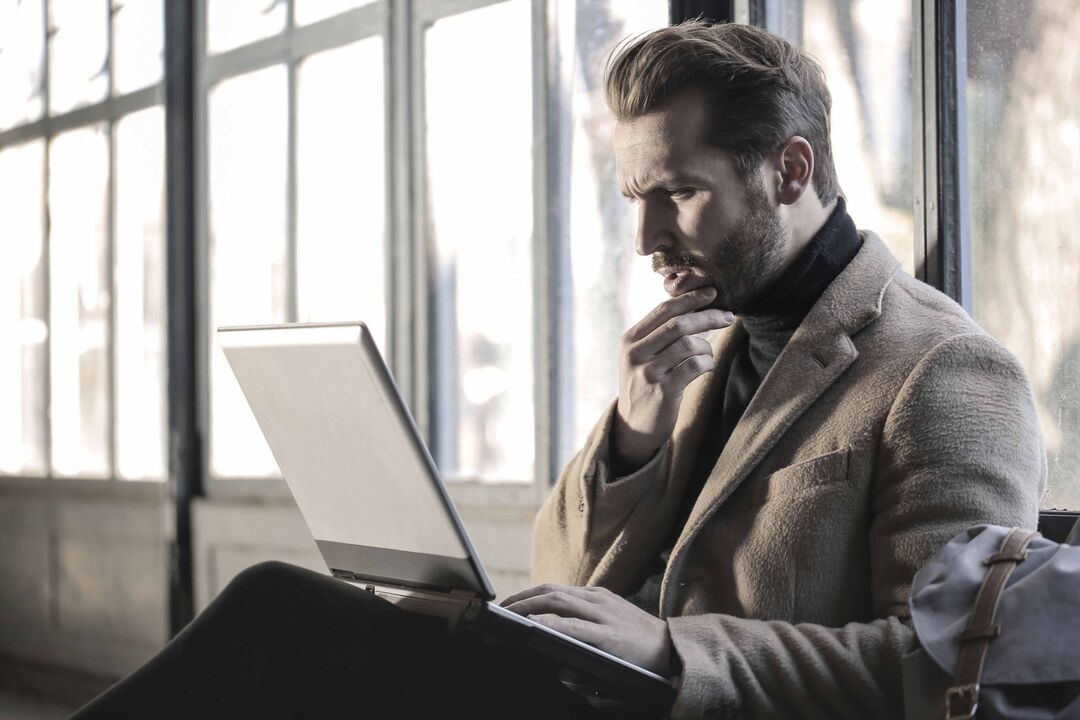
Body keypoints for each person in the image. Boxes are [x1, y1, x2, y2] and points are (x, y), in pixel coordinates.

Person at [70, 20, 1045, 720]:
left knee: (281, 628)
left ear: (790, 173)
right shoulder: (699, 338)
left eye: (677, 193)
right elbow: (560, 574)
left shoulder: (945, 369)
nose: (647, 238)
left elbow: (945, 668)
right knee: (284, 614)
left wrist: (670, 652)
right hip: (577, 690)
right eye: (635, 197)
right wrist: (630, 437)